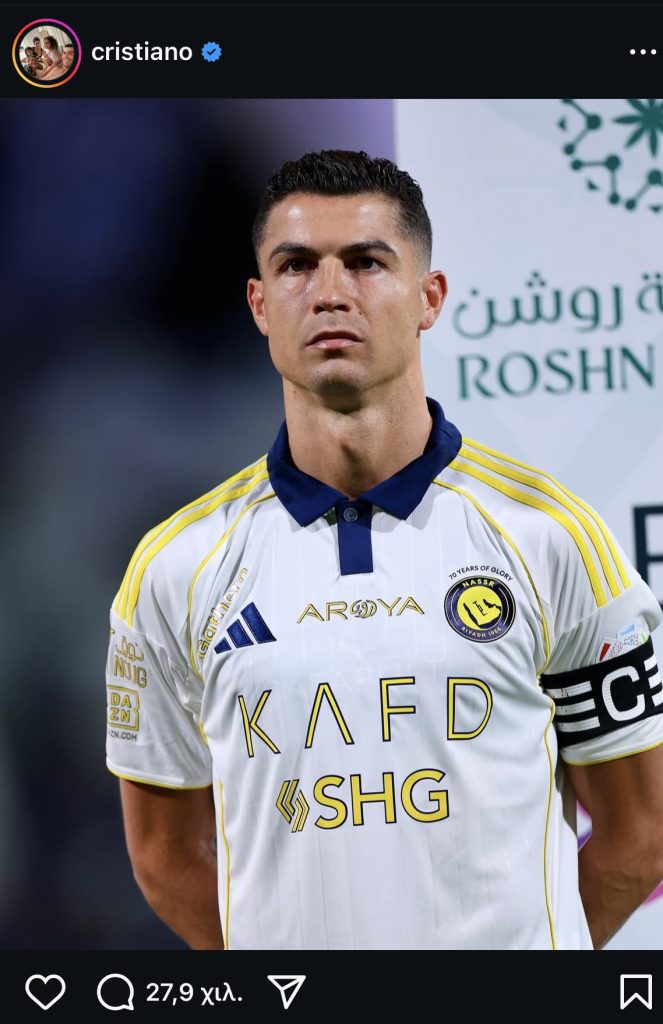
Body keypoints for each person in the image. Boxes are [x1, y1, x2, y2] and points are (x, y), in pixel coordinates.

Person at [106, 149, 663, 951]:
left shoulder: (551, 536)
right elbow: (164, 857)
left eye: (366, 262)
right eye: (296, 266)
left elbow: (639, 832)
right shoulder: (175, 567)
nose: (330, 292)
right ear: (259, 304)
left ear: (428, 297)